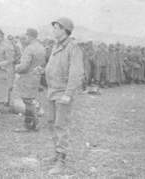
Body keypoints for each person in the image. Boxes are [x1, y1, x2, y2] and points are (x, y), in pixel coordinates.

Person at [44, 17, 84, 175]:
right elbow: (54, 66)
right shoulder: (56, 45)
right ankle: (56, 154)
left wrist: (68, 94)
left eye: (56, 28)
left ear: (64, 30)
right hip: (52, 91)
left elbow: (76, 73)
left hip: (62, 93)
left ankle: (61, 160)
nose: (53, 30)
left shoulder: (73, 47)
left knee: (61, 125)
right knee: (52, 123)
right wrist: (43, 71)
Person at [13, 28, 46, 132]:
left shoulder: (29, 48)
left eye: (26, 36)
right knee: (30, 101)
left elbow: (24, 66)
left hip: (27, 77)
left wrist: (16, 68)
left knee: (27, 102)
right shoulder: (41, 48)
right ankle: (35, 123)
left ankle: (29, 125)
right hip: (36, 77)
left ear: (30, 36)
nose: (25, 38)